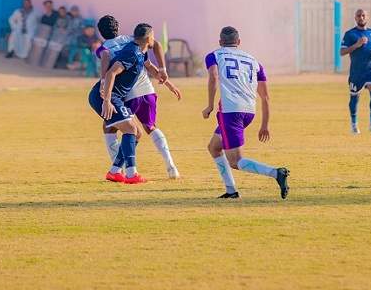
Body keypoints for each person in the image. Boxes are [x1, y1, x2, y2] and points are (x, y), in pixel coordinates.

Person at [202, 26, 289, 199]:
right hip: (249, 111)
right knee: (214, 147)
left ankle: (276, 173)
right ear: (239, 42)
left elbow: (213, 76)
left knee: (236, 161)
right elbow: (265, 97)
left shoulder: (214, 55)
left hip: (230, 112)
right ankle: (231, 190)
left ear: (220, 42)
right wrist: (264, 125)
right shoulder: (254, 61)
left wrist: (210, 105)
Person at [96, 15, 181, 179]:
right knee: (150, 127)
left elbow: (106, 59)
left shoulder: (103, 48)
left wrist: (103, 81)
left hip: (126, 93)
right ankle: (171, 167)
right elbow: (154, 48)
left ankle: (117, 168)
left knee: (110, 127)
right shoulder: (132, 39)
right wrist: (164, 73)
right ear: (118, 27)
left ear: (101, 32)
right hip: (147, 90)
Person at [88, 23, 164, 184]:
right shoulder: (131, 53)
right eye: (153, 36)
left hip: (113, 97)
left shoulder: (139, 51)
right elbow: (111, 73)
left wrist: (164, 78)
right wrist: (107, 101)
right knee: (130, 129)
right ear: (148, 38)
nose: (154, 39)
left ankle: (115, 171)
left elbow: (149, 65)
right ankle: (131, 174)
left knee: (137, 133)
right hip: (105, 97)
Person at [340, 9, 371, 135]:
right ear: (355, 18)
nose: (361, 17)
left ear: (367, 17)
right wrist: (356, 45)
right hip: (357, 72)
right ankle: (354, 124)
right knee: (354, 98)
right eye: (359, 15)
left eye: (363, 15)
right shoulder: (350, 34)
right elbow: (342, 52)